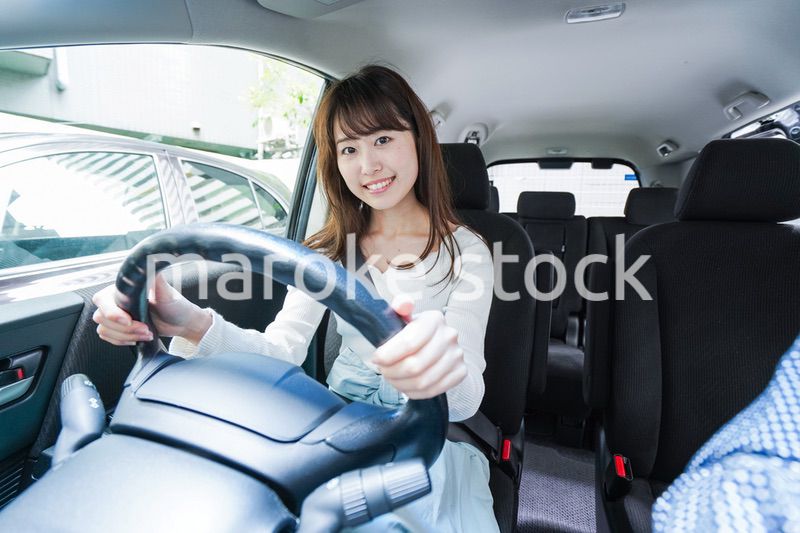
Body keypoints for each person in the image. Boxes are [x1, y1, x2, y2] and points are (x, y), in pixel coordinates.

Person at [92, 64, 499, 532]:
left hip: (422, 438)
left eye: (383, 139)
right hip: (334, 425)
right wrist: (189, 322)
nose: (368, 166)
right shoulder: (327, 249)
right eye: (349, 148)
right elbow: (281, 352)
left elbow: (466, 399)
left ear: (419, 140)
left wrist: (433, 371)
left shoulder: (466, 251)